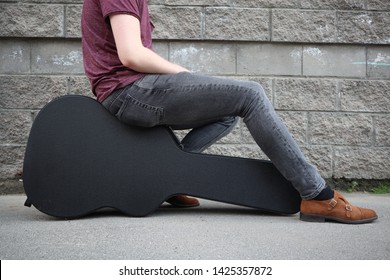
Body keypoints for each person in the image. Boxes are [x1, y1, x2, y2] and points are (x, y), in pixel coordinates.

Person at [81, 0, 377, 224]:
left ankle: (169, 177)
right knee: (250, 94)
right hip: (128, 91)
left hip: (128, 90)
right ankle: (317, 196)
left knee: (226, 111)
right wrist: (182, 72)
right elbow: (131, 54)